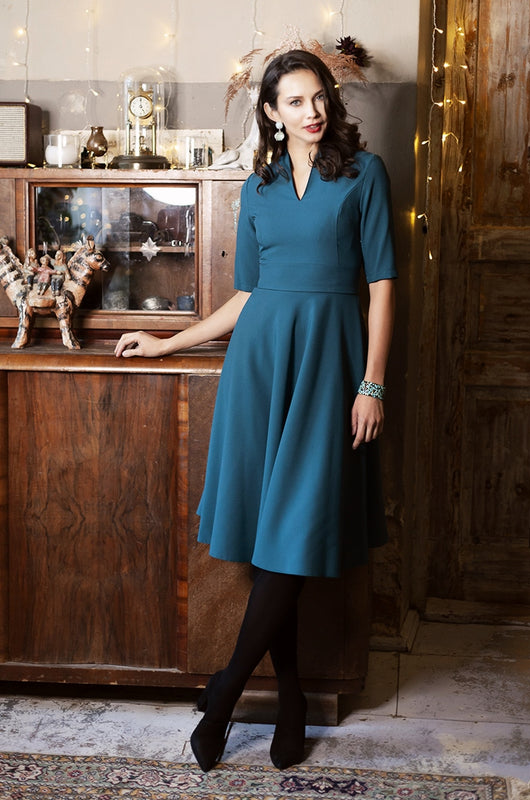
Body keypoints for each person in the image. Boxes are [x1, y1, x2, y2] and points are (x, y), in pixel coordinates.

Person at [114, 49, 396, 772]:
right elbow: (243, 297)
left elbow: (383, 285)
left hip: (330, 370)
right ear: (270, 113)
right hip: (260, 370)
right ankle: (292, 697)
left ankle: (227, 689)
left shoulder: (364, 177)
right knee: (276, 543)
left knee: (294, 537)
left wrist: (372, 383)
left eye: (318, 97)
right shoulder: (260, 188)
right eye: (295, 101)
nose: (312, 111)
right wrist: (167, 344)